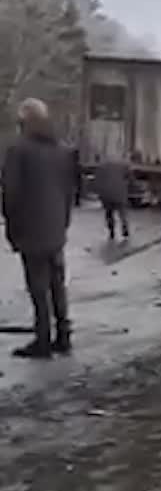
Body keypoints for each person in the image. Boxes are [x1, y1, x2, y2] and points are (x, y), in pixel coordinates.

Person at [1, 98, 74, 358]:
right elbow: (69, 192)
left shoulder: (18, 150)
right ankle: (63, 335)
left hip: (31, 229)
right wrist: (64, 222)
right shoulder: (62, 149)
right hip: (55, 229)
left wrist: (12, 228)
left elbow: (11, 193)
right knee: (57, 284)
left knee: (38, 287)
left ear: (24, 121)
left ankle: (42, 340)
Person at [95, 155, 131, 240]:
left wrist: (99, 192)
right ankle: (124, 227)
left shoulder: (102, 166)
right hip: (120, 192)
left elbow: (98, 179)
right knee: (122, 212)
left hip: (107, 193)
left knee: (109, 213)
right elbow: (129, 177)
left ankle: (111, 231)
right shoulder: (123, 165)